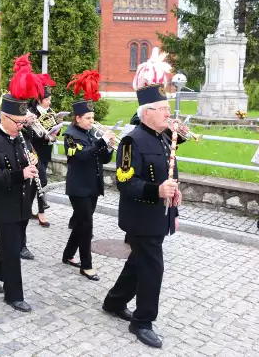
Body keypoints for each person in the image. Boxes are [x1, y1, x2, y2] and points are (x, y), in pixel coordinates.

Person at [102, 48, 180, 349]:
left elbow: (167, 169)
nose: (167, 113)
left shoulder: (162, 137)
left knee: (139, 262)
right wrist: (156, 191)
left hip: (159, 216)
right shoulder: (132, 141)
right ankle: (143, 321)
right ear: (147, 113)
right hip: (141, 217)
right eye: (162, 109)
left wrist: (174, 189)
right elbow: (124, 182)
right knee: (152, 267)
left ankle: (114, 301)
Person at [0, 53, 42, 313]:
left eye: (22, 122)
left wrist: (33, 162)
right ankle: (14, 296)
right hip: (3, 206)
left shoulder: (20, 136)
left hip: (22, 202)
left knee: (10, 246)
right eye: (18, 122)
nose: (21, 126)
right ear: (4, 118)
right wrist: (19, 175)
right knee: (13, 251)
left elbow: (30, 155)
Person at [61, 70, 114, 281]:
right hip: (78, 187)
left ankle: (67, 255)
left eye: (93, 118)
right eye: (88, 118)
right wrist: (100, 143)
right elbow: (80, 157)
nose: (92, 121)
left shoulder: (90, 133)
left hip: (92, 186)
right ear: (77, 118)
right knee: (87, 225)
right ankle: (86, 265)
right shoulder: (70, 136)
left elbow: (103, 160)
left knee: (83, 223)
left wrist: (108, 147)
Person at [28, 87, 56, 227]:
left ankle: (26, 209)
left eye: (50, 99)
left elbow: (55, 128)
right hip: (35, 151)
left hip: (45, 151)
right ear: (39, 100)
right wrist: (44, 136)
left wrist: (55, 131)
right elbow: (30, 135)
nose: (49, 102)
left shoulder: (50, 112)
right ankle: (41, 212)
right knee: (41, 182)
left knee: (35, 183)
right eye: (46, 99)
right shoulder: (32, 112)